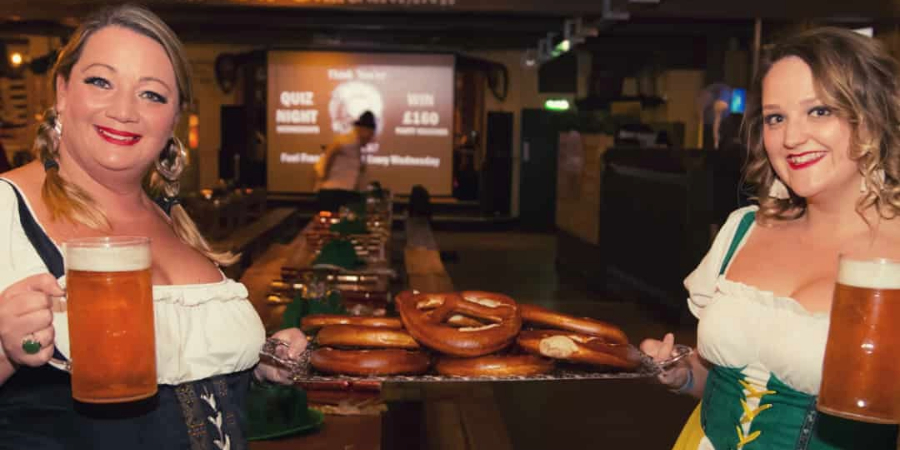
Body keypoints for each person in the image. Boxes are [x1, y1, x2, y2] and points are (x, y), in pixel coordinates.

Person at [0, 5, 306, 448]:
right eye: (100, 82)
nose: (124, 110)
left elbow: (186, 366)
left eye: (152, 95)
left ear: (174, 119)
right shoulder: (7, 209)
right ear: (62, 91)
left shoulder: (172, 219)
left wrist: (262, 367)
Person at [641, 27, 900, 449]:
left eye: (819, 111)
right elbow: (718, 377)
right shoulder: (743, 229)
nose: (792, 138)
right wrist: (683, 372)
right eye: (776, 118)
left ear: (871, 116)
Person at [315, 110, 376, 211]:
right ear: (362, 129)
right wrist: (323, 175)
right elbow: (331, 151)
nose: (371, 137)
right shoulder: (349, 141)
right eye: (370, 133)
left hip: (344, 192)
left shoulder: (358, 147)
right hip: (333, 193)